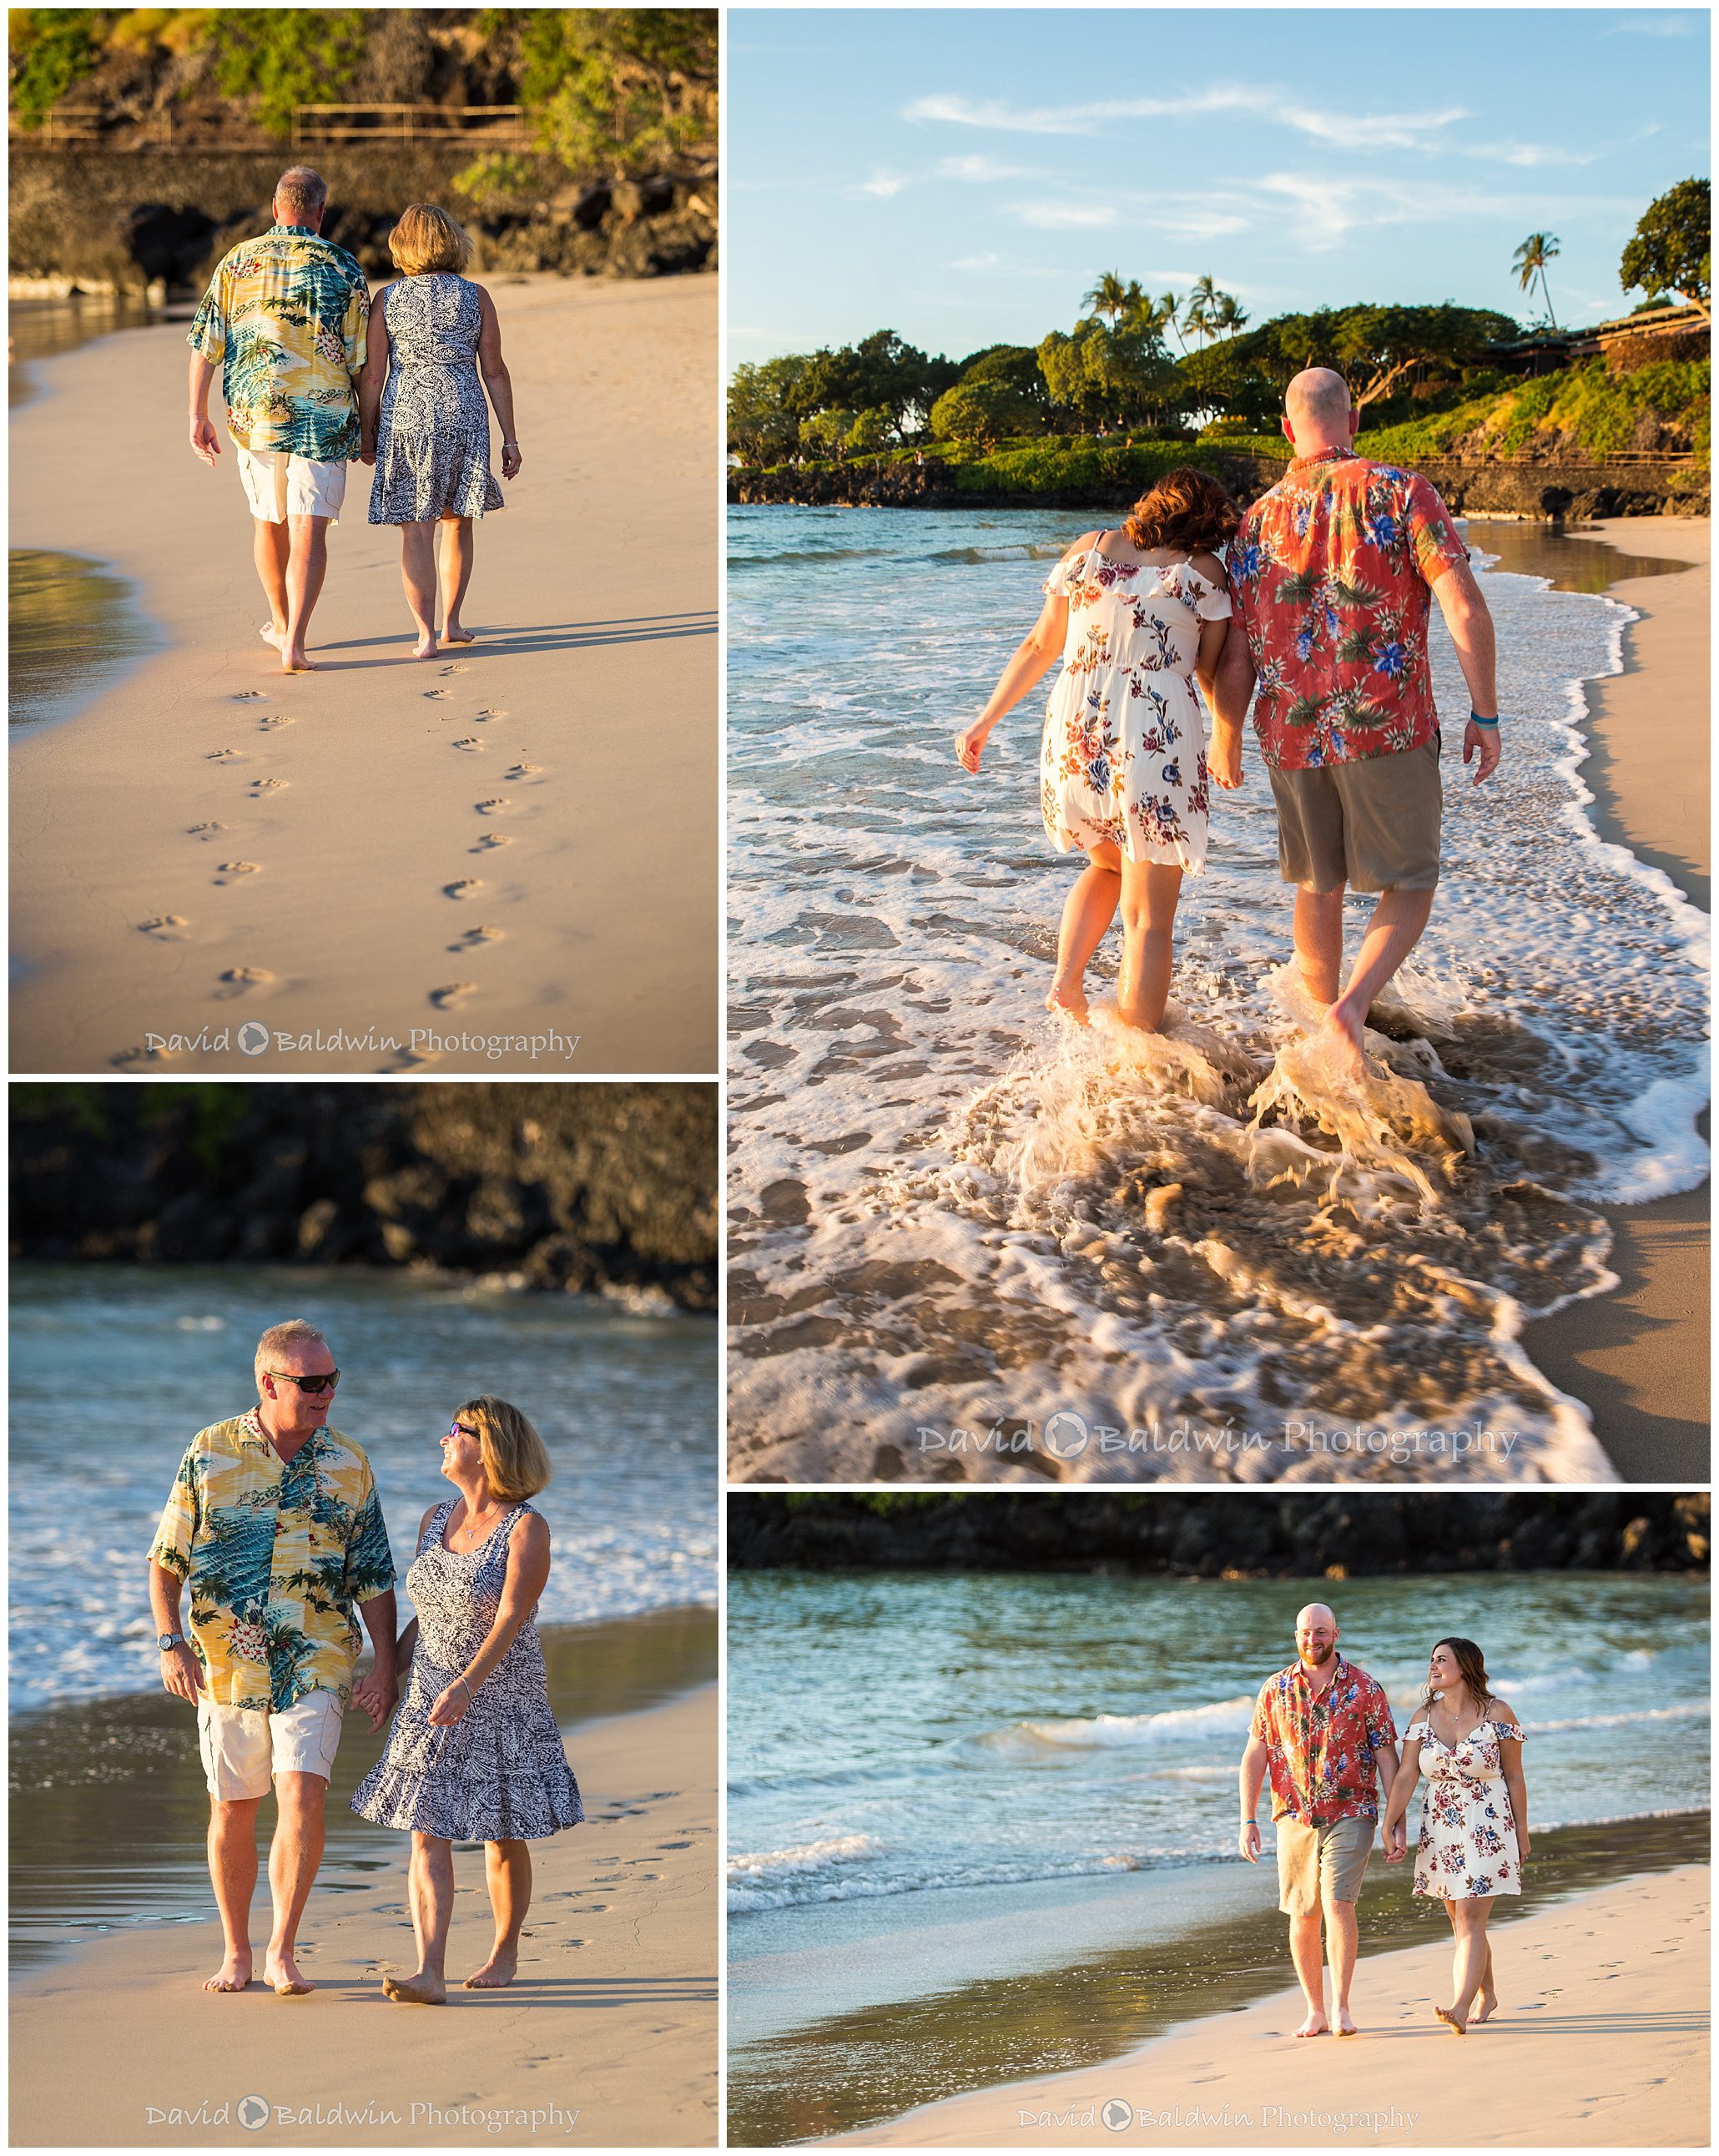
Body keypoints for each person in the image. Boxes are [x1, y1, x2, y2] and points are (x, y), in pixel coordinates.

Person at [1212, 368, 1504, 1074]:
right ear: (1354, 420)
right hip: (1389, 725)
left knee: (1319, 880)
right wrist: (1485, 715)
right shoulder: (1401, 491)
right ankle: (1350, 1010)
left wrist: (1224, 738)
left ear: (1288, 429)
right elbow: (1462, 606)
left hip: (1290, 734)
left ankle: (1319, 1030)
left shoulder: (1254, 522)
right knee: (1410, 880)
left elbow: (1239, 655)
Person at [146, 1320, 397, 1995]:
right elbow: (167, 1561)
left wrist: (385, 1666)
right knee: (233, 1806)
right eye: (313, 1383)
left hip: (317, 1655)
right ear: (270, 1383)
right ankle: (236, 1952)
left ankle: (283, 1950)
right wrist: (171, 1642)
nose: (327, 1395)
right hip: (227, 1660)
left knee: (302, 1792)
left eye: (332, 1381)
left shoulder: (350, 1464)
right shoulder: (210, 1452)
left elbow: (372, 1574)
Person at [956, 468, 1238, 1029]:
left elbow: (1040, 645)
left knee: (1107, 866)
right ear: (1207, 520)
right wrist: (1227, 737)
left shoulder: (1088, 552)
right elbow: (1208, 670)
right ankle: (1138, 1062)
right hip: (1151, 741)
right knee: (1150, 921)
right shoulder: (1203, 572)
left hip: (1076, 738)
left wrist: (983, 721)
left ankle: (1066, 981)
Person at [351, 1396, 582, 2002]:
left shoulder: (527, 1527)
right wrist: (386, 1673)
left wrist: (469, 1683)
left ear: (489, 1445)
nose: (443, 1439)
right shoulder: (435, 1517)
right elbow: (426, 1614)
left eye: (455, 1430)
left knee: (502, 1832)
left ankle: (504, 1952)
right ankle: (429, 1970)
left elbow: (512, 1617)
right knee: (426, 1828)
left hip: (501, 1696)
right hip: (431, 1691)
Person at [187, 166, 370, 674]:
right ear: (320, 212)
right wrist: (369, 425)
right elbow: (362, 361)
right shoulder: (343, 266)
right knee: (310, 525)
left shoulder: (237, 261)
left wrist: (196, 413)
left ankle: (279, 623)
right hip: (323, 413)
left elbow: (207, 344)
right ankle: (296, 642)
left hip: (255, 413)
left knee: (269, 517)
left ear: (275, 208)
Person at [359, 204, 520, 658]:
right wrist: (510, 438)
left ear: (402, 246)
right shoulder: (476, 296)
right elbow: (496, 372)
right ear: (453, 242)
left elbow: (374, 374)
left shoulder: (388, 300)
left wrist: (368, 433)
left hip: (407, 418)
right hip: (463, 414)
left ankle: (424, 636)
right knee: (457, 524)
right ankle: (451, 623)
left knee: (416, 532)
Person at [1238, 1602, 1400, 2038]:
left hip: (1353, 1810)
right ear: (1296, 1636)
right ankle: (1315, 2010)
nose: (1313, 1639)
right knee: (1303, 1913)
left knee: (1337, 1903)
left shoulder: (1366, 1688)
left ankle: (1341, 2006)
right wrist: (1247, 1818)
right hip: (1293, 1815)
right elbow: (1255, 1754)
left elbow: (1387, 1755)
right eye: (1306, 1632)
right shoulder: (1274, 1690)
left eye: (1322, 1632)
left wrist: (1395, 1817)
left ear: (1337, 1634)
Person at [1381, 1635, 1529, 2033]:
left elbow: (1514, 1777)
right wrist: (1389, 1821)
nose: (1432, 1667)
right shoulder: (1421, 1717)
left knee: (1469, 1918)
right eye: (1431, 1660)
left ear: (1464, 1667)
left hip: (1489, 1827)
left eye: (1441, 1660)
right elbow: (1408, 1774)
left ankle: (1460, 2006)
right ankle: (1489, 1994)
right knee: (1463, 1922)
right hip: (1441, 1829)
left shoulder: (1498, 1712)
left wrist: (1523, 1834)